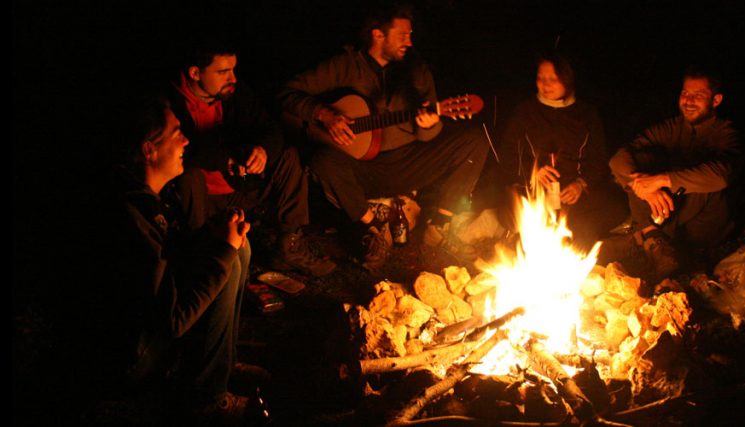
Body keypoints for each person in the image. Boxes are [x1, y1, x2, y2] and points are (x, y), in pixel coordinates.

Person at [277, 3, 488, 269]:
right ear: (378, 35)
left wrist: (427, 124)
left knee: (474, 142)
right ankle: (375, 230)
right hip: (362, 168)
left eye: (411, 35)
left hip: (408, 161)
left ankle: (440, 224)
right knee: (322, 161)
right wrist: (324, 114)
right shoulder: (345, 66)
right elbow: (287, 93)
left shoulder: (416, 70)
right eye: (402, 35)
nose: (409, 42)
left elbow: (428, 136)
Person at [100, 96, 267, 423]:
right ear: (149, 150)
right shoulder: (131, 219)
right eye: (176, 133)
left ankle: (223, 364)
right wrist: (222, 252)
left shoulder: (150, 197)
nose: (186, 140)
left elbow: (176, 258)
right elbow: (172, 322)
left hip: (151, 330)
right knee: (227, 258)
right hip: (133, 356)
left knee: (236, 249)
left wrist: (217, 237)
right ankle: (206, 398)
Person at [170, 40, 336, 277]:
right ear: (195, 73)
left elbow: (271, 128)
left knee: (287, 156)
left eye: (233, 70)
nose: (232, 78)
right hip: (201, 198)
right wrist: (225, 159)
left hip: (239, 185)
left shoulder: (233, 94)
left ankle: (289, 245)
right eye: (223, 72)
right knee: (189, 175)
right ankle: (203, 257)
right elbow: (183, 151)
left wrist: (262, 149)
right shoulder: (170, 103)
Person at [607, 66, 741, 279]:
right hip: (667, 212)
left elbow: (722, 175)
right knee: (638, 165)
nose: (688, 101)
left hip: (702, 224)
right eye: (685, 94)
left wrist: (662, 180)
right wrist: (645, 188)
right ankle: (652, 240)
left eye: (698, 96)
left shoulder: (726, 132)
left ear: (715, 101)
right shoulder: (671, 128)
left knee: (703, 177)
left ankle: (645, 237)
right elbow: (619, 158)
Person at [497, 51, 627, 250]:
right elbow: (507, 154)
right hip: (534, 192)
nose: (545, 84)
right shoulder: (526, 111)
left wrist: (581, 184)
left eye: (552, 79)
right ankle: (533, 238)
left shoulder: (586, 114)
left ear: (567, 79)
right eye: (540, 78)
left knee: (615, 207)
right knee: (510, 213)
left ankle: (571, 242)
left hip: (573, 195)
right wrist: (533, 173)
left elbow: (599, 158)